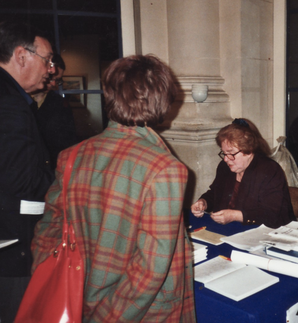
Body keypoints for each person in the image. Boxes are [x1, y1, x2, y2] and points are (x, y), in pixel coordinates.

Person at [31, 55, 196, 322]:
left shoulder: (72, 156)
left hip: (75, 294)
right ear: (162, 102)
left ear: (109, 95)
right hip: (133, 313)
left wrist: (49, 274)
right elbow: (151, 269)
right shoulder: (165, 168)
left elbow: (46, 230)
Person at [0, 21, 56, 323]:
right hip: (12, 246)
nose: (50, 68)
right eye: (46, 60)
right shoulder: (9, 104)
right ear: (21, 56)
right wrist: (67, 182)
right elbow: (22, 183)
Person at [191, 118, 295, 228]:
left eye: (231, 153)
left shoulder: (269, 170)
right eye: (224, 153)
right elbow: (215, 193)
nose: (226, 159)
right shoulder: (225, 167)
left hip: (267, 233)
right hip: (232, 230)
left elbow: (271, 215)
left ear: (249, 151)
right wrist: (203, 202)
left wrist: (235, 215)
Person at [31, 53, 78, 169]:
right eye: (50, 77)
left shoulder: (61, 105)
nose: (53, 84)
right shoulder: (17, 99)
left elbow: (68, 144)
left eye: (57, 80)